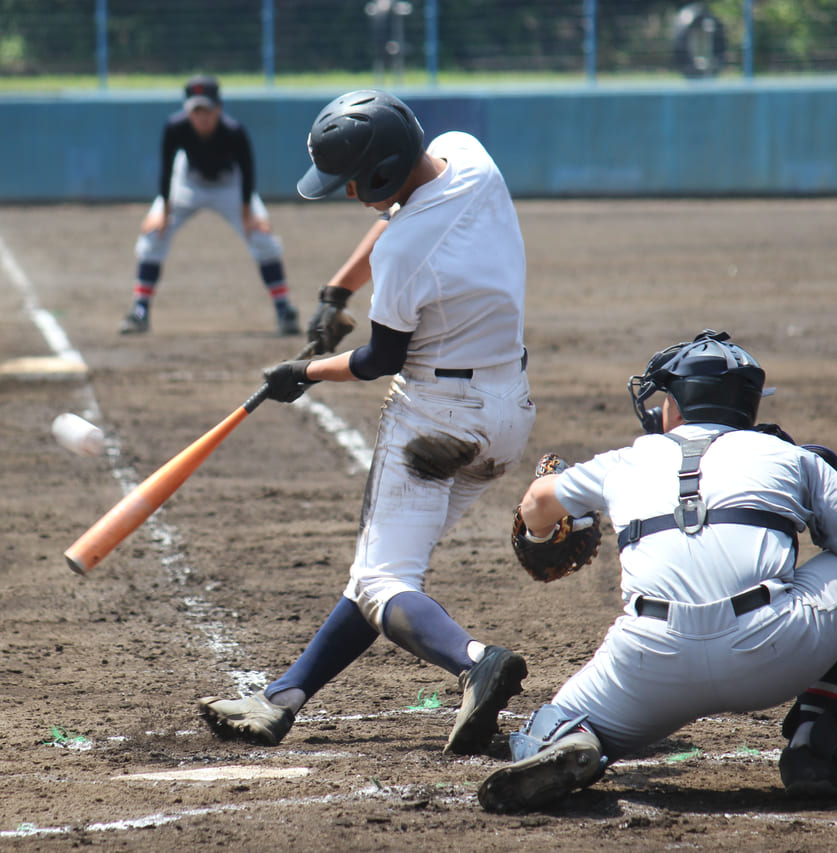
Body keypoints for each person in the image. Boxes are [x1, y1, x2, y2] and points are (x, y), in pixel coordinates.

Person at [197, 90, 535, 755]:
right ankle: (281, 698)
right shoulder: (469, 157)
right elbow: (408, 212)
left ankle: (474, 662)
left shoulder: (404, 254)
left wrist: (302, 375)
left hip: (435, 424)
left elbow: (381, 358)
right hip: (507, 416)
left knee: (385, 582)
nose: (348, 191)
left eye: (352, 179)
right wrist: (336, 290)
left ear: (379, 170)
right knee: (382, 571)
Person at [477, 330, 837, 813]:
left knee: (552, 722)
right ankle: (813, 743)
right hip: (771, 654)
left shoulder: (626, 460)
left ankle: (570, 739)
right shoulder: (790, 459)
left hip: (649, 663)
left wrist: (545, 520)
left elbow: (537, 503)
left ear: (675, 405)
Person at [119, 75, 299, 337]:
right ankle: (139, 310)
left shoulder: (234, 131)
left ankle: (284, 310)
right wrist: (163, 213)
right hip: (187, 183)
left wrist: (248, 215)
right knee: (152, 234)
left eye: (207, 110)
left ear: (219, 109)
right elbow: (166, 171)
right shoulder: (175, 127)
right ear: (188, 111)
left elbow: (248, 173)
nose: (202, 117)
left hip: (230, 185)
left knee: (262, 237)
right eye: (196, 111)